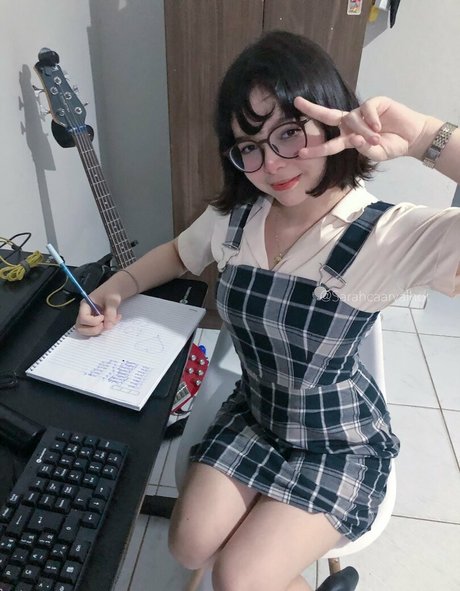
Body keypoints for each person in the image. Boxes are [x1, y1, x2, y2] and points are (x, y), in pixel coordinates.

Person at [76, 31, 460, 591]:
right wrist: (118, 286)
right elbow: (179, 253)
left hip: (337, 440)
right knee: (188, 545)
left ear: (331, 119)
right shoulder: (236, 217)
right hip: (258, 414)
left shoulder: (386, 234)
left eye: (288, 132)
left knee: (238, 577)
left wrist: (426, 135)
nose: (271, 163)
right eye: (248, 145)